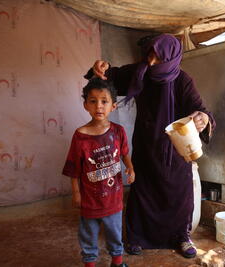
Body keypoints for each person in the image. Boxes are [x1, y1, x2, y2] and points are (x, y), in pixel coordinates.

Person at [85, 34, 215, 258]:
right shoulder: (141, 72)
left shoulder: (183, 81)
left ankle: (181, 237)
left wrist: (202, 118)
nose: (152, 63)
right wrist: (100, 69)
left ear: (172, 58)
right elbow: (108, 77)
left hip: (174, 150)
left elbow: (200, 109)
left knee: (178, 196)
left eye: (158, 58)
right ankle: (137, 238)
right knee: (143, 194)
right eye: (150, 56)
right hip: (146, 146)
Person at [62, 78, 135, 267]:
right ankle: (90, 264)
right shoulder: (80, 136)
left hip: (114, 197)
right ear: (86, 105)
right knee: (88, 234)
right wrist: (76, 192)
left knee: (115, 232)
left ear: (113, 106)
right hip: (90, 199)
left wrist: (130, 167)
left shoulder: (118, 131)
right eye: (93, 101)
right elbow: (73, 167)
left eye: (104, 101)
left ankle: (117, 262)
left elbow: (125, 153)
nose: (99, 106)